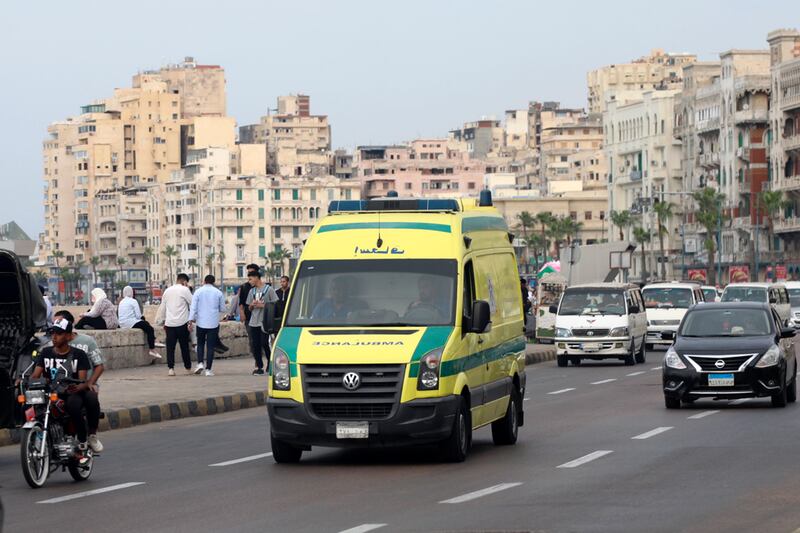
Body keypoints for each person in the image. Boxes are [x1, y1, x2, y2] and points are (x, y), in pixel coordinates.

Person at [29, 318, 97, 462]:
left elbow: (81, 379)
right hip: (50, 393)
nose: (54, 337)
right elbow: (36, 375)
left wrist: (77, 386)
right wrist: (28, 381)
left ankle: (83, 440)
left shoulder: (79, 354)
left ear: (67, 335)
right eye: (53, 333)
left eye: (59, 334)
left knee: (73, 405)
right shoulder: (46, 352)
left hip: (70, 392)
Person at [51, 310, 105, 453]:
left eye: (59, 325)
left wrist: (89, 383)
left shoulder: (86, 342)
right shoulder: (51, 345)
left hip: (81, 387)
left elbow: (99, 366)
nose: (55, 331)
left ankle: (91, 435)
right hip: (58, 388)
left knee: (89, 399)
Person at [188, 275, 227, 377]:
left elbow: (193, 308)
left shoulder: (198, 292)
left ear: (204, 281)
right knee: (210, 346)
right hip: (213, 323)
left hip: (201, 322)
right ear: (213, 282)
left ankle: (200, 363)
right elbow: (223, 308)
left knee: (200, 344)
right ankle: (208, 370)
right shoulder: (218, 292)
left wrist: (190, 320)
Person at [156, 273, 194, 377]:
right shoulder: (185, 290)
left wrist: (162, 320)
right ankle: (188, 368)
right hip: (182, 323)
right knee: (184, 346)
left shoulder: (167, 291)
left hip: (169, 324)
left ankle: (171, 369)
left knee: (170, 348)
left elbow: (163, 307)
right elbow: (193, 303)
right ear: (184, 282)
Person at [246, 269, 278, 375]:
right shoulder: (252, 291)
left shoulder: (269, 290)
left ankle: (270, 361)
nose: (249, 281)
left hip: (264, 321)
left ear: (256, 278)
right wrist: (252, 305)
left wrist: (263, 305)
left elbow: (275, 305)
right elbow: (249, 308)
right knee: (255, 345)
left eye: (250, 279)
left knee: (264, 343)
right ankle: (259, 366)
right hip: (253, 321)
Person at [118, 286, 162, 359]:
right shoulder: (133, 301)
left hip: (122, 323)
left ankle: (154, 340)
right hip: (130, 323)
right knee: (149, 328)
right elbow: (138, 316)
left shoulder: (121, 302)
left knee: (145, 323)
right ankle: (152, 348)